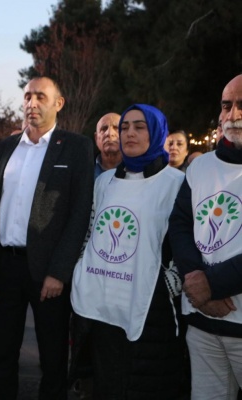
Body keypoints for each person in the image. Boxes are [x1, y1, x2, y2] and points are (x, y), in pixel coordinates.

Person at [72, 104, 185, 398]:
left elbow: (183, 244)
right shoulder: (104, 182)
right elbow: (90, 234)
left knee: (145, 386)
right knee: (108, 384)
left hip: (151, 308)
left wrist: (170, 285)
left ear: (157, 132)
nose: (129, 133)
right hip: (103, 306)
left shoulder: (176, 183)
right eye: (125, 127)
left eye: (139, 127)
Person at [0, 76, 93, 399]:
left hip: (48, 271)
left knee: (52, 357)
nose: (31, 103)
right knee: (2, 352)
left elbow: (79, 214)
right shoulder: (6, 147)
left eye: (40, 97)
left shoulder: (76, 147)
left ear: (58, 103)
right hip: (6, 267)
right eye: (27, 96)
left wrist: (59, 271)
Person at [169, 74, 242, 399]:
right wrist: (194, 277)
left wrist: (210, 286)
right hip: (200, 325)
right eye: (227, 105)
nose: (233, 115)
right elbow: (181, 224)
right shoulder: (200, 167)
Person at [93, 112, 122, 179]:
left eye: (116, 128)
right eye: (104, 129)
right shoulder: (84, 171)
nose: (109, 133)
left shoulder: (138, 172)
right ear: (96, 138)